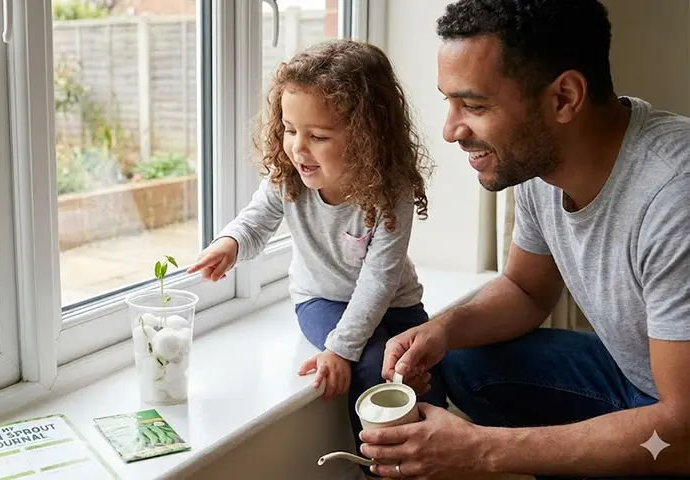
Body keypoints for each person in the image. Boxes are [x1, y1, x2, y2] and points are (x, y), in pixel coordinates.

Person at [355, 0, 690, 479]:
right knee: (464, 358)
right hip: (638, 381)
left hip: (680, 430)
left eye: (473, 105)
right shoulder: (540, 166)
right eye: (449, 102)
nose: (451, 130)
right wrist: (442, 330)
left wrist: (480, 450)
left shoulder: (674, 196)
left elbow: (683, 432)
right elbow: (526, 291)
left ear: (564, 98)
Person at [187, 38, 447, 478]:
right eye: (289, 129)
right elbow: (255, 222)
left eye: (318, 136)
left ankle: (438, 461)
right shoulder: (288, 177)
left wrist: (345, 348)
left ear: (367, 137)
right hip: (321, 301)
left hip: (395, 303)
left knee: (422, 372)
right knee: (373, 365)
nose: (298, 148)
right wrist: (229, 244)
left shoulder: (390, 192)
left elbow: (378, 283)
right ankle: (380, 470)